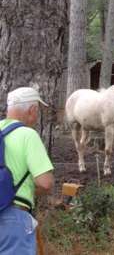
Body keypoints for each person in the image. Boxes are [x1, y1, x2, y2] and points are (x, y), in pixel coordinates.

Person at [0, 87, 54, 255]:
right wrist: (30, 191)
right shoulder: (27, 135)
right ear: (32, 110)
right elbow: (45, 183)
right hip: (12, 217)